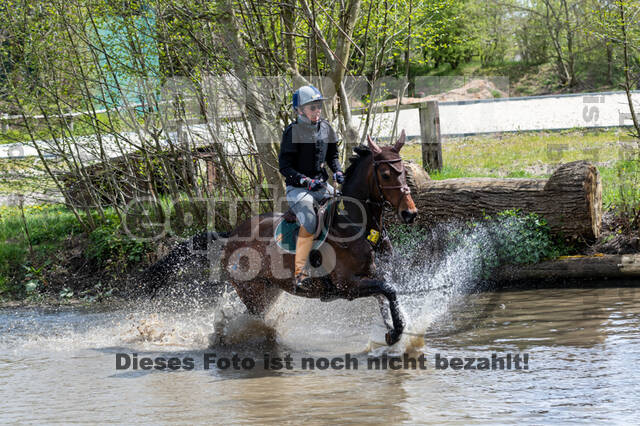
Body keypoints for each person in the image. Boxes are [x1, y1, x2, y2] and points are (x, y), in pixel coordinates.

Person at [278, 85, 345, 290]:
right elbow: (285, 167)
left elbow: (332, 156)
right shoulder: (292, 131)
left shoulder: (326, 127)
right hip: (298, 190)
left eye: (318, 107)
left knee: (347, 204)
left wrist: (338, 171)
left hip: (321, 185)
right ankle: (300, 272)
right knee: (309, 219)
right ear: (300, 111)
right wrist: (305, 181)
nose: (317, 111)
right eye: (312, 108)